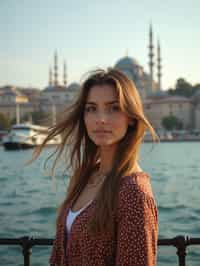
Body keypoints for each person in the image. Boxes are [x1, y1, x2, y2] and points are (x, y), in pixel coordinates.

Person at [33, 68, 159, 265]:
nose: (100, 118)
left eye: (114, 108)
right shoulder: (84, 176)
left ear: (132, 118)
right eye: (91, 108)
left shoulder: (134, 192)